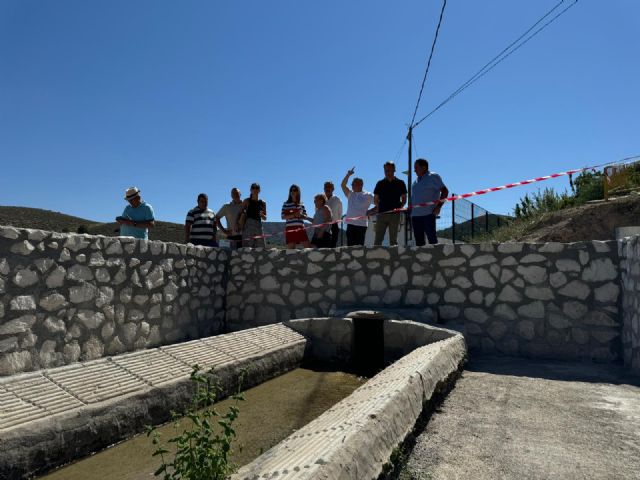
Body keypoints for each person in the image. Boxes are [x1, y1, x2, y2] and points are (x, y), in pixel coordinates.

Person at [411, 158, 449, 246]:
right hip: (415, 216)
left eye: (416, 167)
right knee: (419, 243)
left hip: (428, 214)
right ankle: (421, 260)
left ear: (424, 167)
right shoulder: (415, 182)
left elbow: (445, 191)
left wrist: (439, 207)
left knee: (432, 241)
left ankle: (436, 259)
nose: (414, 170)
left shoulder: (433, 176)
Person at [373, 161, 407, 246]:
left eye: (389, 170)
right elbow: (375, 199)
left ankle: (394, 258)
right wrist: (378, 208)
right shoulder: (380, 183)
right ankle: (375, 258)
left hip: (395, 215)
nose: (387, 172)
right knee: (378, 240)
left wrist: (400, 208)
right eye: (386, 170)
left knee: (393, 240)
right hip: (382, 214)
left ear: (394, 170)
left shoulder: (401, 183)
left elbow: (404, 199)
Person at [341, 167, 375, 246]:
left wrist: (371, 211)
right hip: (350, 224)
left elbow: (379, 204)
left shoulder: (368, 195)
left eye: (353, 184)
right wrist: (348, 175)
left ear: (360, 185)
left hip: (361, 225)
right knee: (350, 247)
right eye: (351, 184)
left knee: (359, 248)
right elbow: (343, 185)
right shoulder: (350, 194)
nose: (351, 186)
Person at [281, 184, 311, 249]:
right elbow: (283, 217)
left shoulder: (301, 204)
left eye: (295, 190)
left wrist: (301, 215)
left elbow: (305, 216)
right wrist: (294, 215)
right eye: (291, 190)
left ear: (298, 192)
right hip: (290, 228)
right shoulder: (286, 204)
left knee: (308, 248)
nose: (292, 192)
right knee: (291, 250)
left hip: (301, 227)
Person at [240, 183, 267, 248]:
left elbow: (265, 218)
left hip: (259, 225)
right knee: (247, 247)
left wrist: (262, 215)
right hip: (249, 224)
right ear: (250, 190)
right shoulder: (247, 201)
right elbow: (240, 213)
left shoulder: (263, 202)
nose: (255, 189)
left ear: (259, 190)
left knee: (261, 247)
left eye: (257, 188)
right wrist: (238, 225)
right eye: (253, 188)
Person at [324, 181, 343, 247]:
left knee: (332, 246)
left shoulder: (337, 199)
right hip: (323, 225)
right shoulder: (321, 199)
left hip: (334, 225)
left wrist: (336, 224)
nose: (327, 188)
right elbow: (317, 211)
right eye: (326, 187)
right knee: (323, 245)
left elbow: (340, 214)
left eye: (329, 187)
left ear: (333, 189)